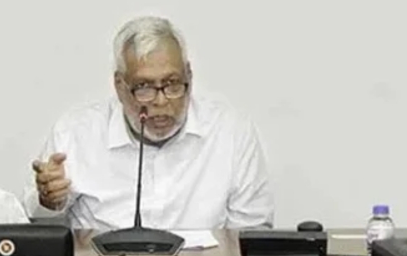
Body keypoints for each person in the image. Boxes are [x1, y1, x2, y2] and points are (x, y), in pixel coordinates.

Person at [23, 16, 274, 230]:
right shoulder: (75, 134)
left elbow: (252, 235)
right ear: (119, 86)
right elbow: (37, 227)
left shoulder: (231, 133)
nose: (161, 101)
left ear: (189, 77)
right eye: (143, 87)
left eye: (173, 84)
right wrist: (49, 202)